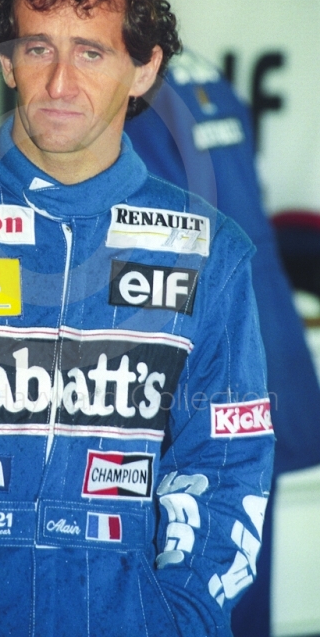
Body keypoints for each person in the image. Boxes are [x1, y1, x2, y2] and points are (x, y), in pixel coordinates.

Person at [0, 0, 274, 637]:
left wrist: (178, 618)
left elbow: (227, 463)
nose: (60, 83)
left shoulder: (207, 252)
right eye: (37, 48)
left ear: (143, 68)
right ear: (8, 63)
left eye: (91, 51)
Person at [124, 49, 320, 637]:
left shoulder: (127, 92)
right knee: (240, 554)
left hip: (200, 354)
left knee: (182, 570)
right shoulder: (201, 74)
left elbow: (150, 239)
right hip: (263, 343)